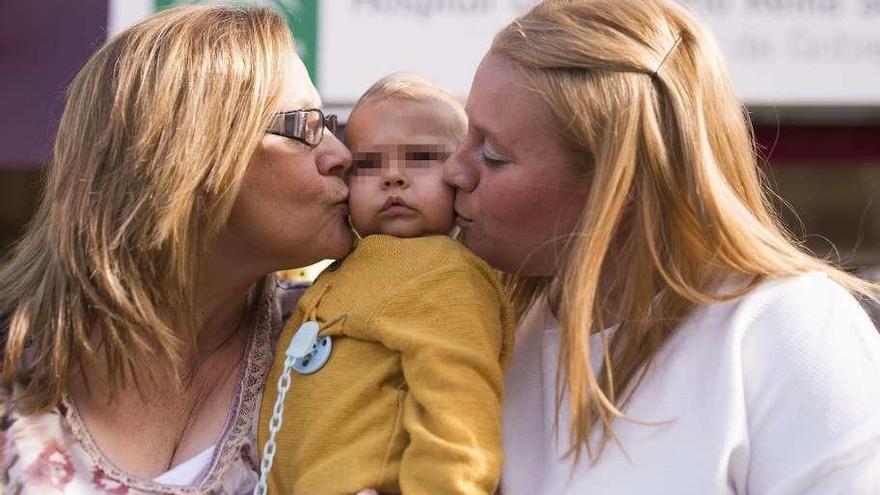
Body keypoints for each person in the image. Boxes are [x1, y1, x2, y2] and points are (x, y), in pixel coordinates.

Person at [441, 0, 880, 493]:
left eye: (494, 154)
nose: (453, 171)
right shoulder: (486, 333)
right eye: (464, 135)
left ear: (618, 185)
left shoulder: (784, 329)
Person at [0, 6, 355, 494]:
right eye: (306, 126)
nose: (341, 155)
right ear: (191, 153)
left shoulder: (335, 345)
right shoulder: (13, 366)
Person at [257, 74, 515, 495]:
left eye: (420, 157)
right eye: (369, 164)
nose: (393, 177)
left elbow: (460, 409)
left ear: (462, 171)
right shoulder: (344, 266)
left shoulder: (446, 274)